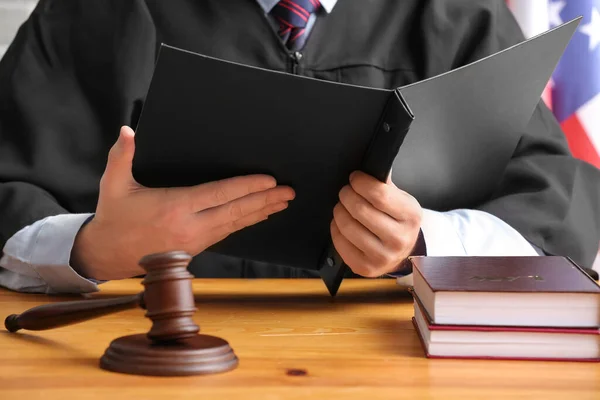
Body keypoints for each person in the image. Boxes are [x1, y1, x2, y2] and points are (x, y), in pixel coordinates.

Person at [0, 0, 598, 294]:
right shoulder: (101, 13)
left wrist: (424, 243)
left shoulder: (454, 14)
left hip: (394, 378)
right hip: (146, 366)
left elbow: (555, 205)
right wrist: (95, 249)